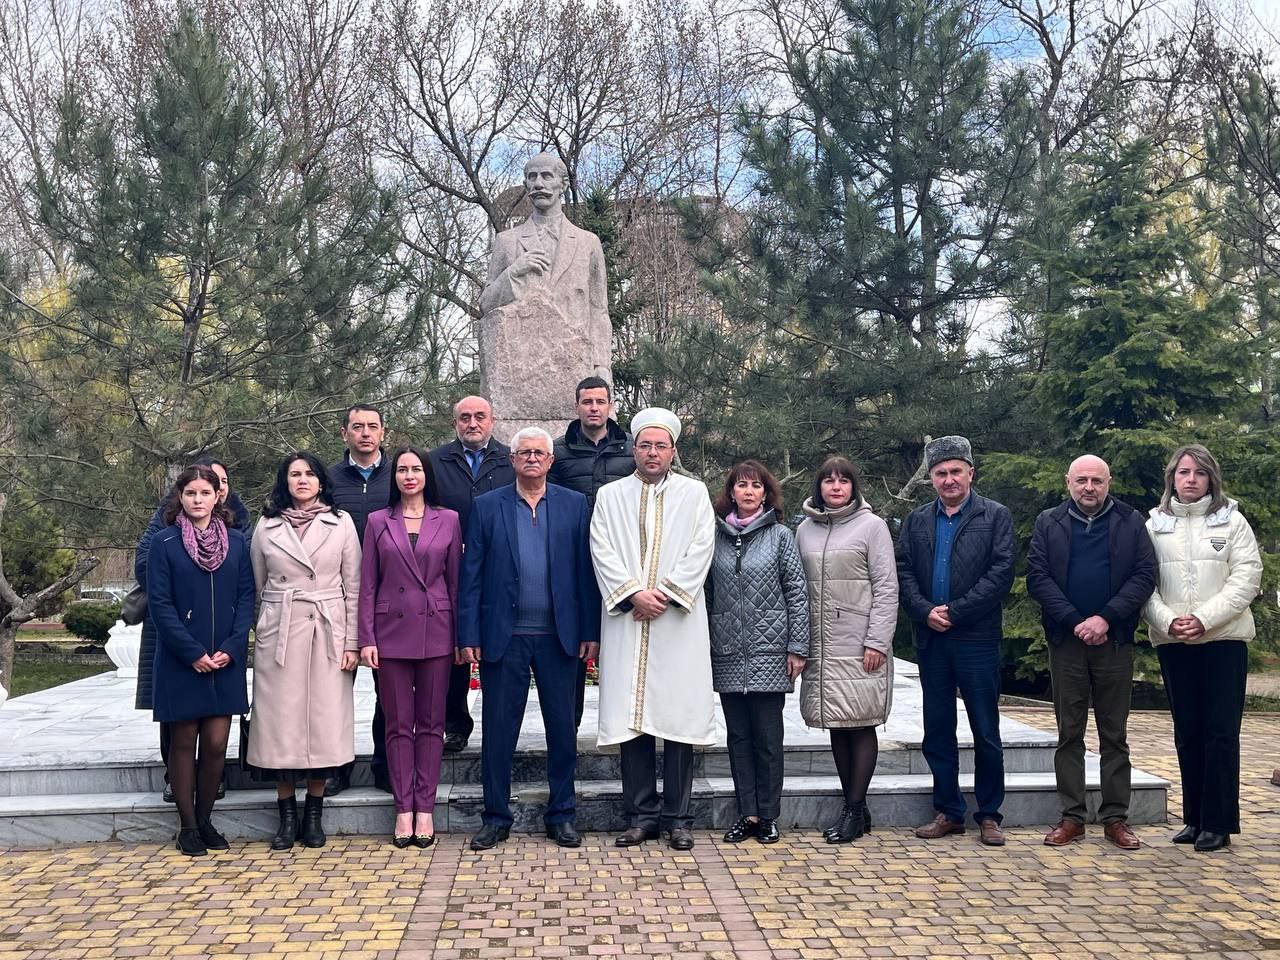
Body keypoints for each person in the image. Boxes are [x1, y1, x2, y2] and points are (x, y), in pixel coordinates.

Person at [459, 427, 598, 851]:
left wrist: (591, 631)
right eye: (524, 453)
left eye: (540, 453)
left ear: (551, 461)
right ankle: (495, 817)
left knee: (562, 731)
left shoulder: (575, 506)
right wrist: (469, 633)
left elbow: (587, 573)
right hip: (505, 636)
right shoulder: (486, 507)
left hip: (560, 637)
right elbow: (471, 577)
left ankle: (562, 815)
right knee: (499, 732)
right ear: (513, 459)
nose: (532, 459)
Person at [590, 408, 716, 850]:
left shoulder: (695, 493)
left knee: (678, 718)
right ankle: (640, 816)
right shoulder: (610, 496)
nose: (652, 452)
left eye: (661, 445)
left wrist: (664, 593)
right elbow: (601, 547)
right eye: (645, 445)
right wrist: (632, 594)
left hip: (678, 620)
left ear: (673, 451)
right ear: (634, 449)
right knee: (634, 721)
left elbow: (702, 546)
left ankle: (678, 818)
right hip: (628, 619)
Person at [1026, 455, 1157, 851]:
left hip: (1113, 642)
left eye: (1096, 481)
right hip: (1067, 643)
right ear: (1067, 482)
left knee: (1114, 734)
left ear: (1108, 482)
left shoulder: (1130, 522)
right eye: (1081, 480)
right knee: (1070, 733)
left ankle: (1116, 818)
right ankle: (1072, 817)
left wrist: (1104, 619)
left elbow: (1144, 575)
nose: (1089, 487)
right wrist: (1075, 622)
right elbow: (1038, 577)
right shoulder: (1048, 522)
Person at [896, 435, 1014, 846]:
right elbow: (903, 570)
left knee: (986, 729)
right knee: (938, 728)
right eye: (941, 473)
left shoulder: (995, 516)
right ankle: (948, 811)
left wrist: (957, 611)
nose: (949, 479)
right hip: (932, 639)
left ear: (970, 474)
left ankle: (989, 814)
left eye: (956, 472)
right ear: (931, 478)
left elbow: (1000, 574)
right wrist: (925, 610)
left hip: (977, 638)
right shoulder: (916, 521)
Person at [1143, 444, 1262, 852]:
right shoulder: (1155, 525)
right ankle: (1193, 818)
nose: (1190, 479)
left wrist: (1204, 619)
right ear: (1171, 478)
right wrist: (1168, 621)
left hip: (1222, 641)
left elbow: (1246, 579)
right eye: (1182, 472)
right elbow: (1144, 583)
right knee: (1187, 732)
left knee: (1221, 732)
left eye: (1199, 473)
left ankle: (1219, 821)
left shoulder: (1233, 523)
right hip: (1174, 642)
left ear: (1212, 478)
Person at [248, 452, 362, 850]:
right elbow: (258, 586)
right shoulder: (267, 525)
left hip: (328, 629)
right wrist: (265, 627)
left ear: (320, 481)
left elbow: (355, 586)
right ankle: (286, 814)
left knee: (323, 724)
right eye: (294, 474)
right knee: (279, 725)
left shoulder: (342, 522)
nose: (302, 480)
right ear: (284, 481)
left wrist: (352, 643)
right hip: (281, 630)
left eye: (309, 473)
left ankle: (314, 812)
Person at [147, 464, 255, 856]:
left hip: (225, 659)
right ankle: (188, 825)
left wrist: (232, 644)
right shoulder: (165, 543)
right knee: (183, 740)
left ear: (217, 497)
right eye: (190, 493)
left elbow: (246, 598)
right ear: (181, 497)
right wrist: (192, 653)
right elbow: (160, 604)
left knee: (215, 744)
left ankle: (207, 819)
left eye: (204, 493)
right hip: (182, 660)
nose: (197, 500)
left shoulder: (239, 543)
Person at [359, 446, 462, 848]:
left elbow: (455, 584)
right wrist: (366, 638)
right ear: (394, 477)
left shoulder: (449, 520)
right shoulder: (377, 521)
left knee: (432, 725)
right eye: (401, 469)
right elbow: (367, 584)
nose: (409, 475)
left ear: (426, 474)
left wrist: (460, 638)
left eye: (416, 468)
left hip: (437, 631)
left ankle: (426, 807)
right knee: (399, 725)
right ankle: (403, 810)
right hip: (390, 635)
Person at [795, 457, 898, 843]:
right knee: (836, 724)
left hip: (859, 642)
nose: (835, 487)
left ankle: (854, 810)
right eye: (828, 481)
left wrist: (877, 641)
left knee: (861, 723)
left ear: (854, 486)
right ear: (818, 487)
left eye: (843, 481)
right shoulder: (804, 529)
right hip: (821, 643)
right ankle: (857, 807)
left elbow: (887, 587)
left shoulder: (872, 527)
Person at [706, 460, 809, 845]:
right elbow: (709, 594)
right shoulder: (714, 536)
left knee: (767, 739)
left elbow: (797, 593)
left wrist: (797, 647)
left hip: (770, 651)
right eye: (741, 485)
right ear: (730, 492)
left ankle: (769, 815)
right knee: (738, 738)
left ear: (766, 494)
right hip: (729, 650)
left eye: (756, 486)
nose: (748, 492)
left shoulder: (781, 536)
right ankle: (746, 814)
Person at [428, 396, 516, 754]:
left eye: (480, 417)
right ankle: (455, 724)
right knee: (455, 649)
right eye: (465, 418)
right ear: (455, 423)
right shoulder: (435, 462)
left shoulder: (510, 460)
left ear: (493, 421)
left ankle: (502, 722)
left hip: (500, 570)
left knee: (498, 646)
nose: (472, 423)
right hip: (449, 571)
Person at [548, 375, 634, 730]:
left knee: (623, 643)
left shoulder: (631, 448)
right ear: (577, 406)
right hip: (572, 562)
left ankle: (625, 723)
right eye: (587, 402)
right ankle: (570, 726)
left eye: (600, 401)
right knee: (574, 645)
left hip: (622, 560)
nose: (594, 408)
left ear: (610, 405)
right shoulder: (559, 450)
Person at [325, 403, 393, 796]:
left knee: (391, 690)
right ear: (344, 433)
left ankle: (386, 766)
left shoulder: (398, 476)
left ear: (383, 432)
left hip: (389, 596)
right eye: (357, 427)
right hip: (338, 598)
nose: (365, 433)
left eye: (372, 427)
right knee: (336, 689)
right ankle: (336, 766)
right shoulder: (329, 480)